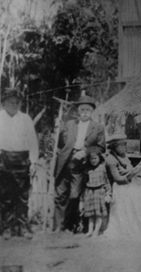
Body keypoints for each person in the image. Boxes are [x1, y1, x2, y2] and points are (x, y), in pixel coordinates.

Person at [54, 94, 105, 233]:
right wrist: (57, 129)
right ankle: (59, 226)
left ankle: (71, 224)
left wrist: (86, 151)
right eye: (82, 110)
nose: (84, 113)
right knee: (60, 194)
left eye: (87, 110)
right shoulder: (69, 124)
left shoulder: (98, 127)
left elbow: (101, 147)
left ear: (91, 111)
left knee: (74, 195)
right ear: (78, 111)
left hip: (80, 164)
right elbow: (59, 144)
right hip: (65, 162)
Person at [104, 133, 141, 239]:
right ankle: (139, 227)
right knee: (138, 195)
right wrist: (130, 175)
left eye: (124, 145)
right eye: (120, 145)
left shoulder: (123, 156)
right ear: (114, 146)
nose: (123, 147)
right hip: (120, 186)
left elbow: (129, 169)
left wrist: (137, 170)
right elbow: (117, 179)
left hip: (130, 182)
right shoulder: (111, 159)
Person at [0, 88, 39, 239]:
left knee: (22, 195)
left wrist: (34, 161)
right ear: (3, 103)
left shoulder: (25, 119)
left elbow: (32, 141)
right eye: (10, 101)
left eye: (16, 102)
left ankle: (22, 226)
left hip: (22, 160)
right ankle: (7, 227)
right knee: (5, 195)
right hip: (4, 159)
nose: (13, 104)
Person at [79, 146, 111, 237]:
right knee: (91, 215)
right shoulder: (87, 170)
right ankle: (90, 230)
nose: (93, 160)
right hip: (90, 193)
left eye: (95, 158)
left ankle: (96, 231)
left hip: (99, 192)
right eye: (91, 159)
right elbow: (84, 184)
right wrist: (82, 198)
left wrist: (108, 194)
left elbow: (106, 182)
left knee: (98, 214)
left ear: (99, 158)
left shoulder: (102, 168)